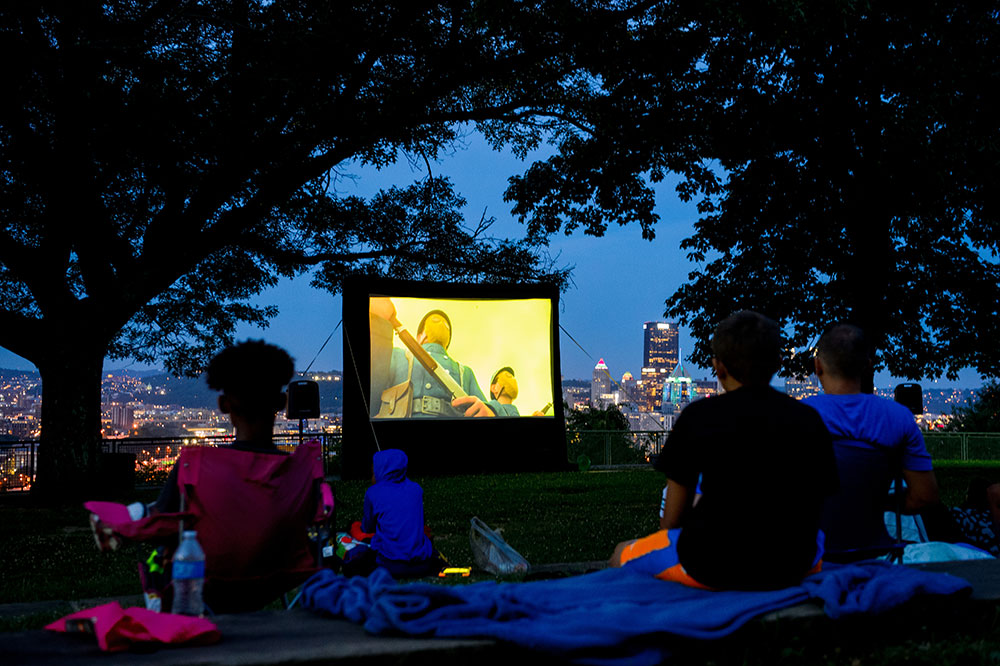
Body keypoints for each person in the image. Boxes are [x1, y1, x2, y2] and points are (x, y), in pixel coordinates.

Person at [610, 311, 838, 590]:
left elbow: (672, 521)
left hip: (708, 564)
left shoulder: (698, 417)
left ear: (718, 367)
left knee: (621, 553)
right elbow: (818, 505)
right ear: (777, 363)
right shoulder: (808, 420)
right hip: (791, 564)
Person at [804, 323, 939, 557]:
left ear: (817, 366)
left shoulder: (799, 417)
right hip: (876, 550)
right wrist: (875, 502)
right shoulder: (900, 419)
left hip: (810, 553)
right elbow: (925, 496)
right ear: (868, 366)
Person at [151, 340, 296, 514]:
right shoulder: (301, 474)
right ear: (281, 403)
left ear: (223, 405)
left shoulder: (192, 468)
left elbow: (159, 522)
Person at [369, 297, 495, 418]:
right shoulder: (397, 356)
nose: (440, 320)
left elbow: (485, 408)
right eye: (427, 323)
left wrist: (491, 411)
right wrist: (378, 321)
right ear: (419, 338)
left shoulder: (465, 372)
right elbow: (372, 392)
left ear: (447, 343)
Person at [353, 448, 444, 578]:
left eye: (374, 471)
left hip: (389, 565)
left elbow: (367, 527)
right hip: (421, 565)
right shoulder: (416, 489)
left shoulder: (373, 492)